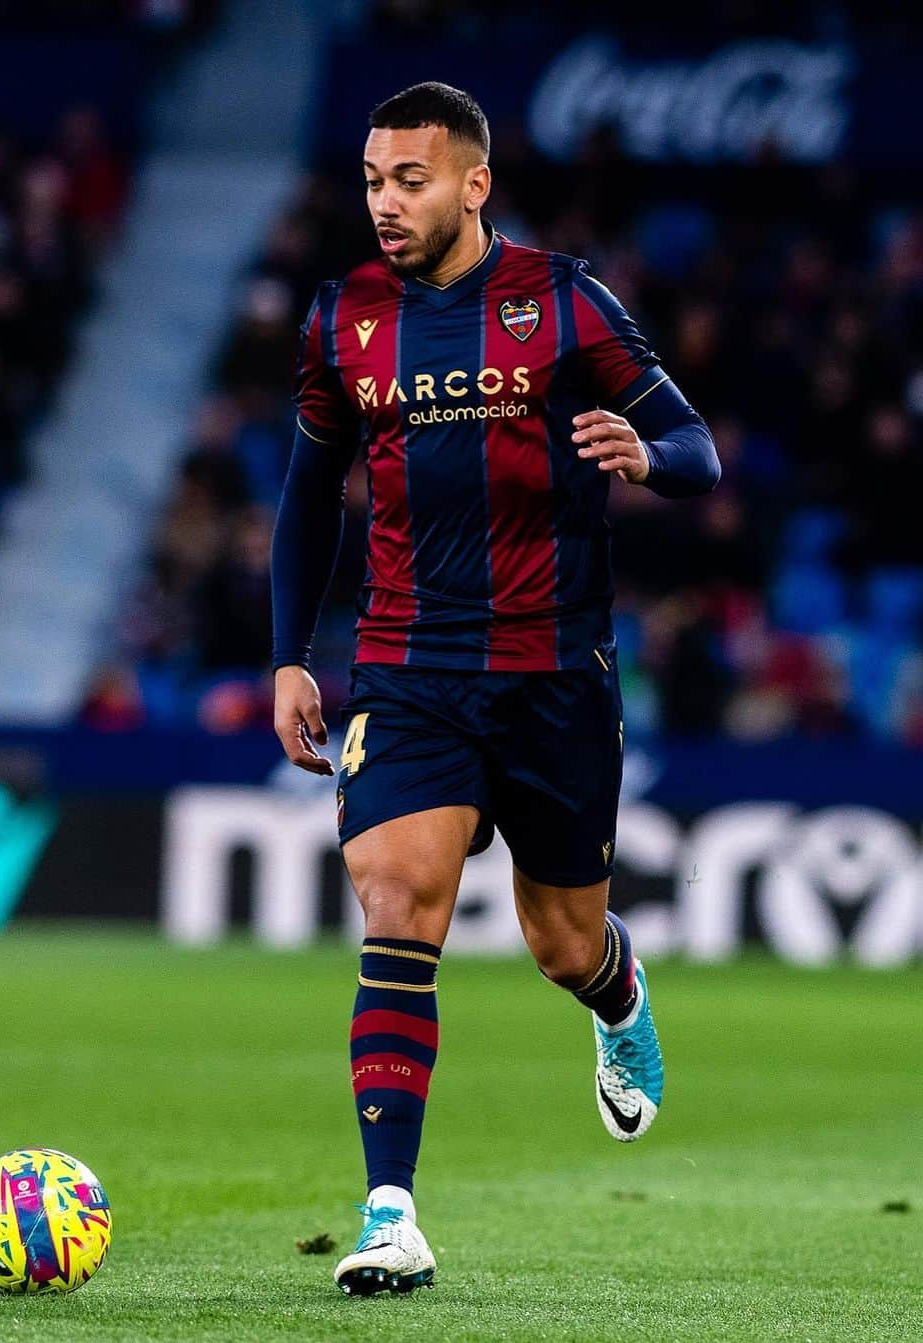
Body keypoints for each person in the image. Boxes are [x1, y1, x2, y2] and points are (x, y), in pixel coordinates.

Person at [270, 82, 720, 1296]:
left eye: (409, 180)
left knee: (558, 940)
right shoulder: (342, 320)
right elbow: (310, 495)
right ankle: (390, 1212)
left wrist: (646, 453)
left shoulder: (563, 301)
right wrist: (288, 653)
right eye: (371, 181)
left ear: (473, 183)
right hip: (408, 669)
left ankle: (616, 993)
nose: (385, 203)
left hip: (554, 674)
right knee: (399, 902)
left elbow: (697, 446)